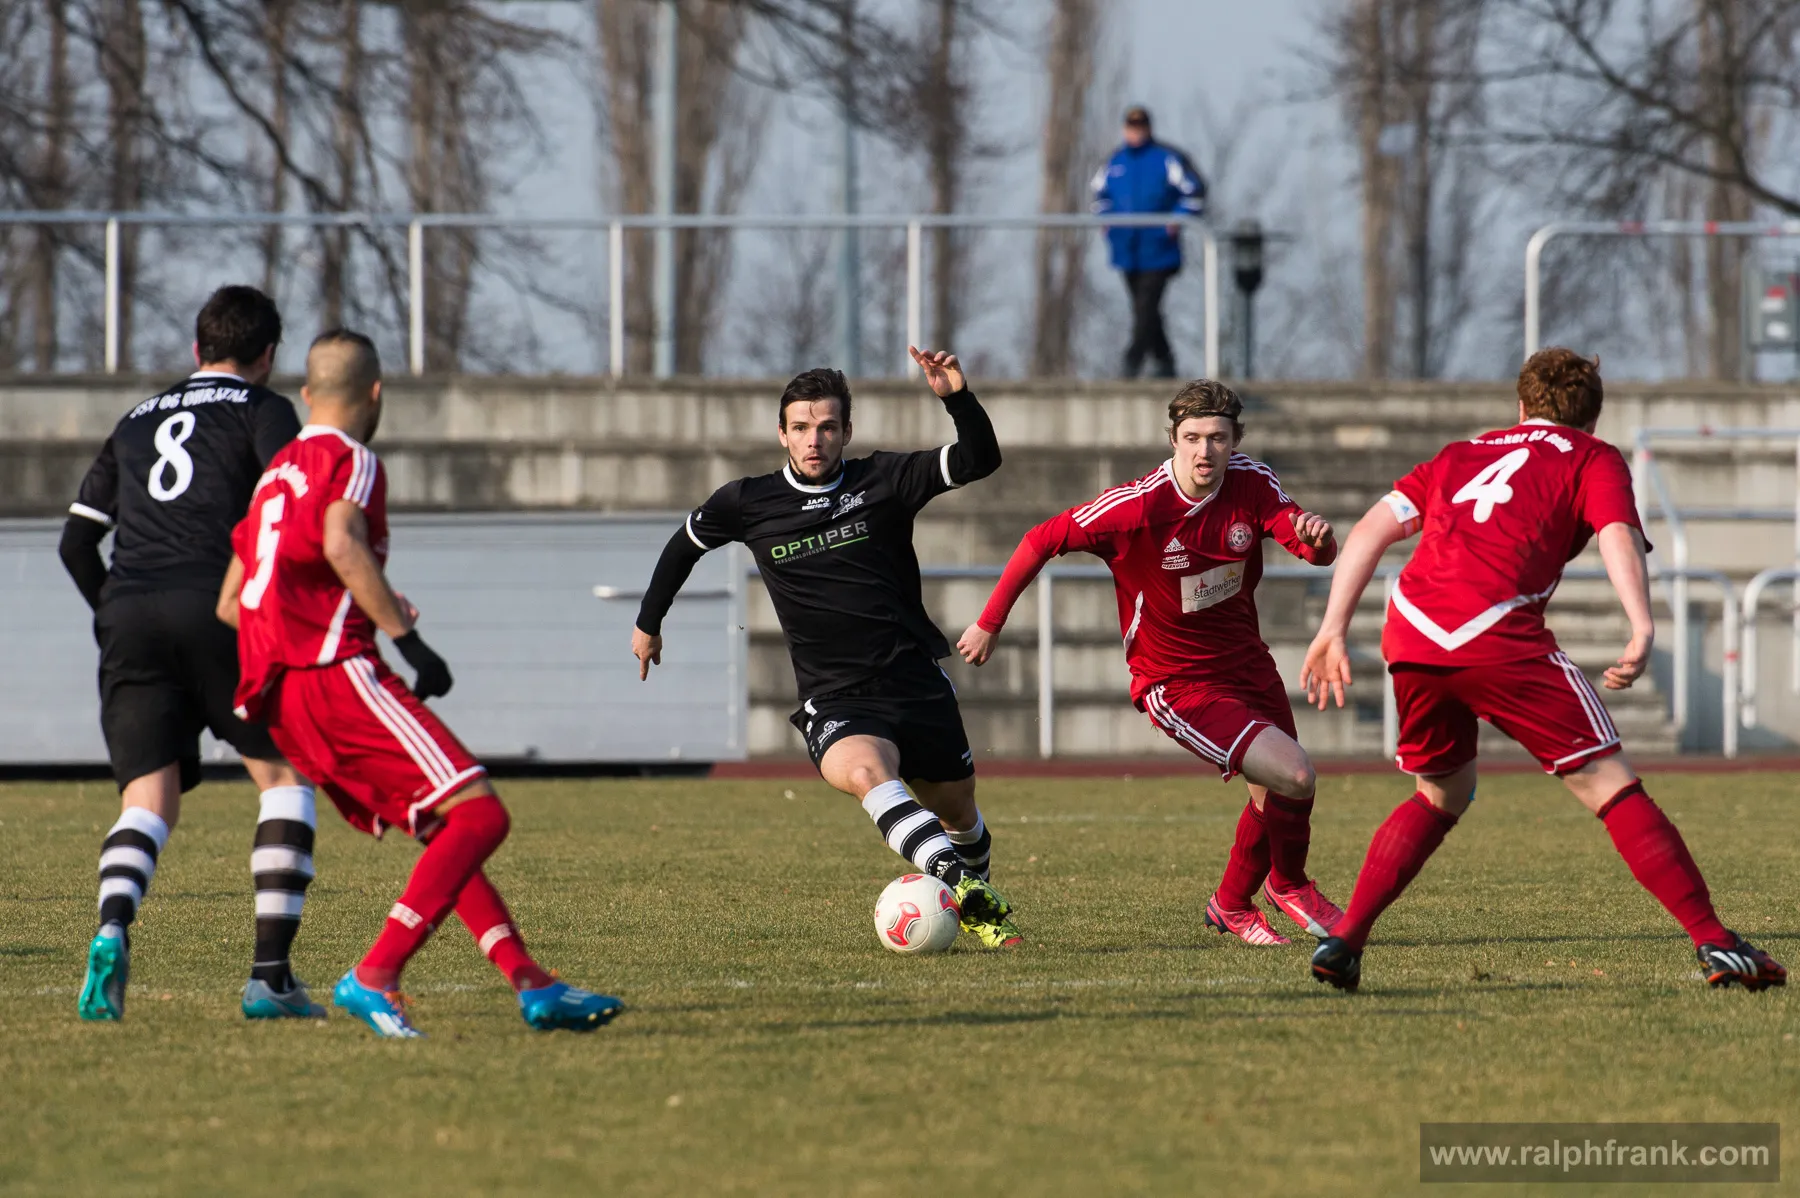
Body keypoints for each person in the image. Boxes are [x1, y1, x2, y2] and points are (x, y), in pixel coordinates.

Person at [1301, 348, 1786, 993]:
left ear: (1521, 405)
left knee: (1441, 792)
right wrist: (1642, 624)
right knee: (1610, 785)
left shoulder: (1457, 454)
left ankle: (1345, 941)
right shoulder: (1592, 456)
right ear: (1592, 417)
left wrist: (1332, 628)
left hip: (1412, 631)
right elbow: (1616, 533)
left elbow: (1368, 531)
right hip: (1495, 629)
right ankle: (1716, 942)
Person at [220, 328, 622, 1037]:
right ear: (375, 393)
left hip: (279, 695)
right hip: (332, 672)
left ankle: (533, 985)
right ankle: (375, 972)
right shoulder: (352, 459)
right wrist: (410, 643)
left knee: (443, 831)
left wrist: (356, 600)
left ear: (307, 394)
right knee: (481, 816)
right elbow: (341, 542)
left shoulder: (274, 474)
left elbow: (232, 601)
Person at [631, 349, 1021, 947]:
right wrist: (648, 621)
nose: (814, 440)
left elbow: (981, 459)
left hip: (914, 681)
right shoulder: (748, 501)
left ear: (846, 432)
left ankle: (977, 897)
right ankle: (961, 887)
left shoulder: (884, 480)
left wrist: (957, 399)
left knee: (958, 814)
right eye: (801, 428)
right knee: (865, 773)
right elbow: (684, 545)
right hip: (835, 695)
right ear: (781, 433)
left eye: (828, 428)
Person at [959, 380, 1342, 946]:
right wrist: (989, 621)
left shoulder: (1253, 482)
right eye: (1193, 438)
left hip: (1249, 667)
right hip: (1178, 683)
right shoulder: (1137, 507)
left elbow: (1309, 549)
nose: (1205, 451)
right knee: (1296, 775)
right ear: (1173, 439)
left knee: (1275, 792)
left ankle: (1231, 906)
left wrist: (1319, 540)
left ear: (1236, 440)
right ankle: (1288, 885)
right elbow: (1041, 539)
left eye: (1218, 438)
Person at [61, 284, 325, 1022]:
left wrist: (116, 613)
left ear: (195, 348)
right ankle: (270, 979)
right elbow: (287, 509)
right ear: (267, 355)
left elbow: (76, 541)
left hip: (130, 611)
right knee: (284, 779)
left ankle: (112, 926)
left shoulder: (136, 419)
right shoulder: (263, 410)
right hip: (221, 609)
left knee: (148, 801)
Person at [1092, 105, 1207, 379]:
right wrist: (1107, 223)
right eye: (1132, 127)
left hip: (1159, 250)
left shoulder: (1167, 158)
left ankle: (1131, 362)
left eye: (1141, 126)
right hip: (1126, 249)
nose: (1136, 132)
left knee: (1146, 306)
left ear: (1149, 128)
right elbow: (1099, 196)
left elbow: (1195, 192)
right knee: (1144, 309)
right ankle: (1164, 359)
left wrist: (1176, 220)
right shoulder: (1114, 161)